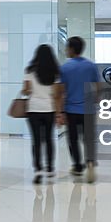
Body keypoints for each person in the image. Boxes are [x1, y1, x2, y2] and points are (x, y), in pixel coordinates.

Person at [59, 36, 100, 183]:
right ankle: (90, 163)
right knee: (89, 139)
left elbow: (62, 92)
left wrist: (61, 112)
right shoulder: (91, 66)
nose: (65, 50)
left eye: (66, 47)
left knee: (73, 139)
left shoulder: (65, 68)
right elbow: (97, 88)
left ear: (71, 49)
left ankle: (77, 166)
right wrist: (95, 102)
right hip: (88, 109)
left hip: (71, 110)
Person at [22, 44, 62, 184]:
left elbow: (26, 91)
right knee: (49, 140)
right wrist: (58, 114)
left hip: (33, 109)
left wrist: (29, 90)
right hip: (49, 109)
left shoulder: (30, 70)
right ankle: (50, 169)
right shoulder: (55, 72)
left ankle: (38, 169)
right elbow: (56, 95)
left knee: (36, 141)